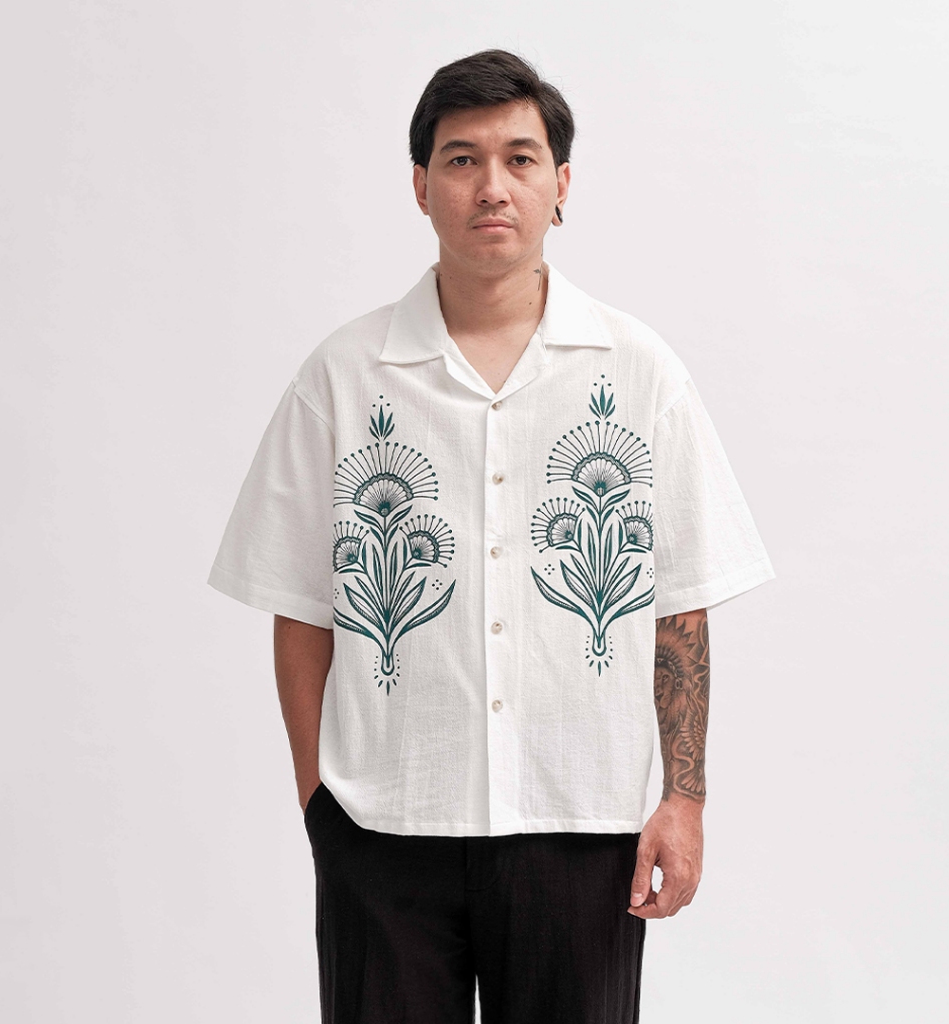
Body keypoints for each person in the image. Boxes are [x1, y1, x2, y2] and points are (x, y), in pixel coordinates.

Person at [207, 48, 774, 1024]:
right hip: (384, 825)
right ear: (420, 185)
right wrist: (319, 804)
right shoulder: (343, 377)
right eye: (461, 159)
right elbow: (299, 608)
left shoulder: (640, 373)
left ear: (562, 184)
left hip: (581, 823)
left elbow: (679, 603)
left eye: (520, 157)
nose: (491, 186)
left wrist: (684, 799)